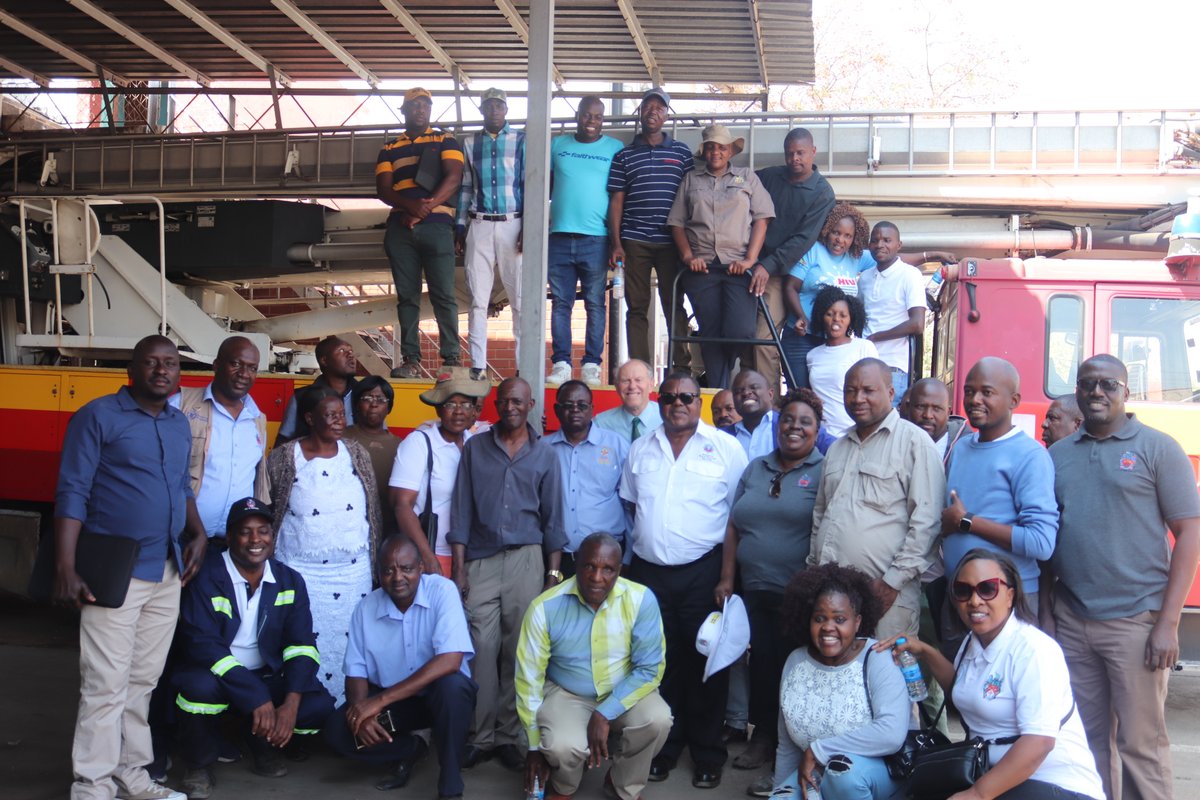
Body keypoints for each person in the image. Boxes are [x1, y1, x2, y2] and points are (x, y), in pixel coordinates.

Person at [54, 334, 206, 800]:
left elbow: (181, 485)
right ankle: (92, 786)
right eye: (151, 362)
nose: (162, 370)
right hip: (115, 572)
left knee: (142, 681)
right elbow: (72, 489)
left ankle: (131, 774)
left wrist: (196, 532)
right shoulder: (98, 417)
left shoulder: (180, 423)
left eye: (171, 363)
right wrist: (66, 562)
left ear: (180, 373)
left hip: (166, 569)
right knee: (105, 683)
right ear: (131, 370)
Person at [1043, 354, 1200, 800]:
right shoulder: (1057, 456)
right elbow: (1051, 540)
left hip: (1137, 623)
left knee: (1141, 747)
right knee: (1085, 746)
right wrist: (1049, 615)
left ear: (1126, 393)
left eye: (1108, 384)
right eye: (1087, 383)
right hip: (1073, 621)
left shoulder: (1157, 448)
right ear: (1076, 391)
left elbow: (1190, 533)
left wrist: (1169, 623)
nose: (1097, 391)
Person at [878, 549, 1105, 800]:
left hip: (1054, 784)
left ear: (1010, 595)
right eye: (963, 591)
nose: (974, 600)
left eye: (987, 589)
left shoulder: (1034, 650)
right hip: (991, 776)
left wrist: (977, 794)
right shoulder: (972, 644)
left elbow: (1039, 742)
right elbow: (963, 690)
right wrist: (926, 651)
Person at [619, 372, 749, 789]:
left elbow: (736, 519)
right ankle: (666, 748)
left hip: (704, 573)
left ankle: (709, 753)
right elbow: (631, 505)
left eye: (687, 397)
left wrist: (727, 575)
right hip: (649, 573)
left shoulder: (726, 449)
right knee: (660, 664)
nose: (678, 403)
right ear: (660, 402)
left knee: (706, 664)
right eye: (671, 396)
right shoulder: (641, 448)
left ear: (700, 402)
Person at [173, 498, 334, 799]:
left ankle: (261, 742)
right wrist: (255, 695)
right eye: (246, 532)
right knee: (197, 689)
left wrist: (291, 703)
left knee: (317, 707)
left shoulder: (289, 580)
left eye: (263, 531)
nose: (255, 540)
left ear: (273, 537)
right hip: (218, 676)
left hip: (265, 676)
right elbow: (202, 646)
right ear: (230, 537)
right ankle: (198, 764)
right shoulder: (207, 576)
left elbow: (302, 646)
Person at [448, 377, 568, 771]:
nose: (511, 406)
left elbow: (554, 518)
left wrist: (552, 575)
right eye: (505, 401)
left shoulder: (545, 454)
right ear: (495, 404)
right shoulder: (476, 448)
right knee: (480, 647)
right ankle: (480, 737)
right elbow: (461, 511)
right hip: (481, 559)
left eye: (519, 401)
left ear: (531, 404)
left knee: (519, 649)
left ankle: (508, 735)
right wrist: (460, 568)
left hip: (527, 560)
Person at [717, 389, 825, 788]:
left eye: (805, 422)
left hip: (798, 595)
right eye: (788, 419)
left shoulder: (823, 470)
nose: (794, 427)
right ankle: (762, 738)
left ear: (817, 430)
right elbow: (734, 524)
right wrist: (728, 578)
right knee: (761, 666)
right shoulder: (756, 467)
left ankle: (790, 750)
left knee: (792, 672)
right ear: (777, 424)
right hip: (753, 589)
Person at [517, 533, 672, 800]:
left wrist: (605, 713)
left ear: (619, 571)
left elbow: (650, 669)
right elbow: (528, 679)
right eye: (589, 566)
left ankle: (622, 783)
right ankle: (564, 786)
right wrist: (533, 748)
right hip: (567, 693)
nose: (597, 577)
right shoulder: (544, 607)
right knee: (562, 746)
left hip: (622, 690)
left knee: (658, 720)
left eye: (607, 569)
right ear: (575, 565)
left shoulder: (640, 599)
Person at [324, 536, 477, 799]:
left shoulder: (443, 591)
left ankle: (450, 779)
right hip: (398, 709)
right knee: (338, 732)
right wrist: (362, 713)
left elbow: (451, 660)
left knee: (453, 686)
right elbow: (356, 673)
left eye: (406, 568)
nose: (397, 577)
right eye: (388, 570)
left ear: (420, 568)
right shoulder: (366, 608)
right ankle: (411, 748)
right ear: (379, 573)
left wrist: (379, 701)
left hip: (439, 700)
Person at [809, 358, 944, 641]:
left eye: (868, 390)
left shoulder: (915, 443)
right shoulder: (837, 448)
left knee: (886, 677)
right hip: (832, 598)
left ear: (891, 393)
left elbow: (927, 524)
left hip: (887, 599)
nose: (858, 398)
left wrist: (891, 583)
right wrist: (814, 575)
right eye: (850, 390)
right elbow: (821, 515)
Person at [266, 388, 383, 705]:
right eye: (330, 415)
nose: (338, 421)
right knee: (302, 641)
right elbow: (271, 510)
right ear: (309, 418)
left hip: (352, 576)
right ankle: (304, 716)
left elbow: (372, 511)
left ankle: (348, 712)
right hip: (302, 575)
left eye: (341, 414)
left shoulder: (356, 453)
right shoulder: (283, 458)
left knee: (351, 644)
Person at [940, 358, 1057, 657]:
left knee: (1003, 698)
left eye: (986, 392)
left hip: (1006, 603)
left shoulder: (1030, 456)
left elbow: (1041, 543)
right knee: (960, 693)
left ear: (1013, 400)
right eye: (968, 391)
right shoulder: (962, 446)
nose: (974, 400)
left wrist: (968, 521)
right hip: (960, 597)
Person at [771, 563, 909, 800]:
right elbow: (786, 747)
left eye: (840, 619)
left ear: (857, 622)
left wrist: (819, 750)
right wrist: (779, 790)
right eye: (820, 618)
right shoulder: (795, 662)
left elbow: (891, 734)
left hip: (872, 775)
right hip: (817, 773)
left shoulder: (877, 658)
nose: (828, 627)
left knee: (842, 775)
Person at [667, 124, 775, 389]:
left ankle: (723, 384)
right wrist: (688, 256)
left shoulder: (747, 177)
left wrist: (751, 259)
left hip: (738, 267)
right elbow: (676, 223)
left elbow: (763, 217)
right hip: (702, 270)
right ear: (704, 151)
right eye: (711, 146)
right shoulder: (691, 180)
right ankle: (718, 392)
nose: (716, 152)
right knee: (711, 334)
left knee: (741, 331)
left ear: (730, 151)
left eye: (722, 147)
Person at [377, 87, 465, 378]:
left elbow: (454, 177)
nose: (420, 109)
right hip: (401, 228)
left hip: (437, 226)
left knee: (443, 295)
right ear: (403, 110)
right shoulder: (389, 148)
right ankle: (411, 360)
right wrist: (413, 208)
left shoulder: (444, 138)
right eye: (414, 105)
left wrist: (422, 209)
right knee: (407, 296)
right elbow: (384, 189)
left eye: (425, 105)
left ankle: (451, 360)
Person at [607, 87, 694, 373]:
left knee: (674, 305)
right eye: (648, 106)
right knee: (637, 307)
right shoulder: (624, 156)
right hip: (634, 241)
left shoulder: (682, 153)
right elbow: (617, 202)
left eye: (660, 107)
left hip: (671, 242)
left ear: (667, 114)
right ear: (641, 112)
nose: (653, 111)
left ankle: (682, 368)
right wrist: (616, 243)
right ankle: (640, 370)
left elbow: (692, 197)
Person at [546, 95, 626, 388]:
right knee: (560, 303)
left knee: (595, 303)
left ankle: (592, 364)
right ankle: (562, 363)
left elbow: (619, 195)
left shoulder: (615, 148)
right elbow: (546, 184)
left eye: (597, 117)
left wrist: (616, 241)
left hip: (597, 238)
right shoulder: (558, 144)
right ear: (577, 115)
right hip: (559, 236)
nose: (591, 122)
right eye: (586, 115)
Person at [751, 128, 837, 395]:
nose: (794, 159)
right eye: (790, 153)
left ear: (813, 152)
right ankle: (770, 404)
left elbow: (803, 239)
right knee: (761, 341)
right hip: (768, 271)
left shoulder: (823, 192)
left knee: (795, 342)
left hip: (796, 275)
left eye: (800, 153)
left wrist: (767, 265)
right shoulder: (768, 177)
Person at [390, 367, 492, 577]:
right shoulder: (419, 443)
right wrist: (427, 557)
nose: (458, 411)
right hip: (433, 553)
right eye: (450, 404)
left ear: (474, 409)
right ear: (438, 408)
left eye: (465, 404)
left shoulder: (474, 444)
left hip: (470, 555)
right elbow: (401, 505)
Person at [175, 336, 269, 545]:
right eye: (236, 364)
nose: (244, 374)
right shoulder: (181, 405)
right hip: (183, 538)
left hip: (234, 543)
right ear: (216, 365)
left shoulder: (257, 419)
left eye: (252, 368)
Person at [457, 87, 525, 375]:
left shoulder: (522, 140)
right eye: (489, 106)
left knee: (520, 297)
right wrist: (460, 225)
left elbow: (528, 184)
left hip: (514, 222)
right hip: (480, 223)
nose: (494, 111)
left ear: (506, 110)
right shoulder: (470, 143)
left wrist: (530, 226)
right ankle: (477, 365)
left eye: (499, 106)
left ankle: (524, 366)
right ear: (482, 110)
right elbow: (466, 186)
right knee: (478, 298)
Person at [781, 202, 874, 388]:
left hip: (832, 341)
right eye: (836, 232)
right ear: (826, 230)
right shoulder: (813, 250)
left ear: (855, 239)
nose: (841, 240)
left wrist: (929, 256)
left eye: (848, 236)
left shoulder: (856, 257)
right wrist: (801, 316)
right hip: (801, 336)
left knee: (826, 394)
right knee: (802, 394)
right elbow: (790, 287)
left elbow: (891, 258)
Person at [546, 381, 630, 577]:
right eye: (568, 405)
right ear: (557, 410)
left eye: (582, 405)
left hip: (607, 558)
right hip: (560, 559)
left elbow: (631, 505)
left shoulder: (616, 446)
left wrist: (628, 557)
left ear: (592, 409)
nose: (575, 410)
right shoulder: (543, 449)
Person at [859, 222, 929, 405]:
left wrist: (876, 337)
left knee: (887, 427)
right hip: (865, 362)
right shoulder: (864, 277)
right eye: (874, 241)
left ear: (899, 245)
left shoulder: (910, 274)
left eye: (887, 240)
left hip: (894, 367)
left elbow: (917, 324)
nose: (880, 245)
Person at [805, 286, 878, 438]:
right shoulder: (812, 355)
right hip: (822, 436)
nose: (836, 319)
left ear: (851, 318)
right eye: (829, 314)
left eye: (843, 315)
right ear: (821, 317)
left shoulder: (863, 347)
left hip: (854, 433)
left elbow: (875, 392)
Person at [343, 376, 401, 536]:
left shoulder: (400, 446)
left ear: (389, 407)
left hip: (387, 526)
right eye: (367, 398)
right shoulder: (341, 439)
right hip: (348, 524)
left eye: (381, 399)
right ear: (356, 404)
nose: (374, 404)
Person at [275, 336, 358, 445]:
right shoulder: (301, 398)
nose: (350, 355)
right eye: (341, 350)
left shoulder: (364, 395)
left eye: (351, 351)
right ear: (324, 360)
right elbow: (283, 442)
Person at [594, 358, 662, 442]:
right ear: (617, 387)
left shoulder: (666, 419)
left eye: (638, 380)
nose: (632, 386)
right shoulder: (601, 424)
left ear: (651, 385)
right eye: (625, 381)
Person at [908, 377, 968, 471]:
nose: (927, 415)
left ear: (948, 413)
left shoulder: (965, 449)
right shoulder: (895, 444)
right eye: (920, 406)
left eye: (936, 408)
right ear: (909, 408)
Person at [726, 370, 778, 459]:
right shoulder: (724, 436)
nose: (746, 393)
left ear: (770, 394)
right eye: (738, 391)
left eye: (754, 387)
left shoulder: (787, 426)